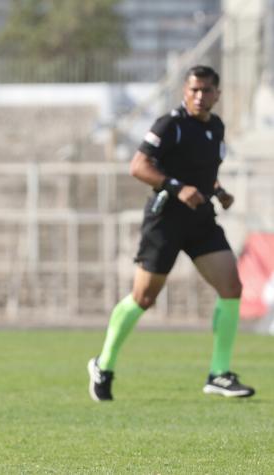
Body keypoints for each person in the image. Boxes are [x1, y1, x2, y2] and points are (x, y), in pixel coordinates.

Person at [88, 65, 254, 402]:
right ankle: (103, 364)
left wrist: (219, 191)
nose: (199, 96)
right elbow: (138, 166)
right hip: (165, 220)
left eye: (206, 90)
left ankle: (219, 373)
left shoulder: (216, 127)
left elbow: (204, 171)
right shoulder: (171, 125)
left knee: (232, 287)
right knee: (143, 298)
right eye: (193, 89)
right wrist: (177, 188)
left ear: (217, 95)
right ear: (184, 91)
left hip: (201, 219)